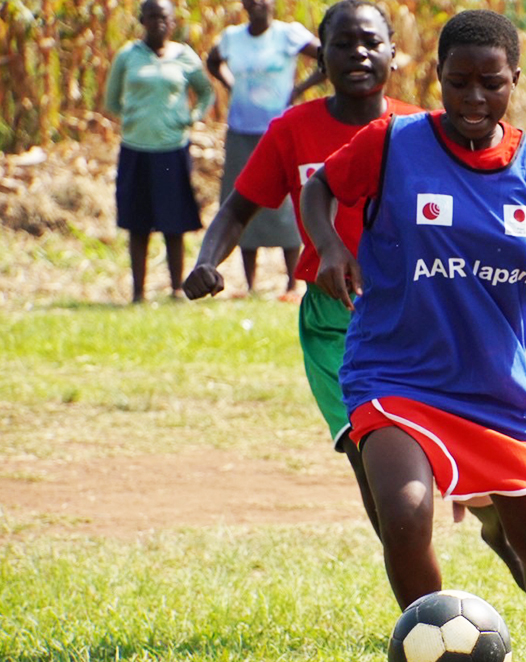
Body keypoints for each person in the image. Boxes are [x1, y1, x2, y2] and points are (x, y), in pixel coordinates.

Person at [301, 10, 526, 662]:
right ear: (437, 76)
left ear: (515, 82)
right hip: (393, 373)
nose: (475, 99)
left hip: (493, 389)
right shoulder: (393, 141)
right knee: (407, 513)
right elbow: (319, 185)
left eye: (492, 84)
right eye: (459, 82)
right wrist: (329, 245)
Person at [183, 1, 429, 546]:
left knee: (446, 469)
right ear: (321, 55)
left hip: (416, 318)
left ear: (393, 52)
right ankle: (416, 597)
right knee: (368, 455)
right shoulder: (292, 130)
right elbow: (237, 210)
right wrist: (206, 262)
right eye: (342, 44)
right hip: (333, 321)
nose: (358, 53)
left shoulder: (422, 130)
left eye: (371, 42)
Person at [206, 0, 323, 301]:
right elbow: (212, 61)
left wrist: (298, 90)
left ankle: (292, 284)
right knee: (244, 200)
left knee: (286, 207)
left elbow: (327, 57)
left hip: (279, 129)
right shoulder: (233, 38)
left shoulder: (288, 35)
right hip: (242, 129)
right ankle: (250, 284)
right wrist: (231, 83)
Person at [104, 0, 214, 303]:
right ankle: (138, 292)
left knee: (173, 222)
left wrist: (191, 118)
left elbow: (206, 92)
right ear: (142, 20)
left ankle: (177, 289)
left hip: (172, 150)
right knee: (137, 222)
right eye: (151, 17)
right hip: (136, 149)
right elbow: (112, 100)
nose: (158, 23)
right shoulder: (128, 55)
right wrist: (134, 119)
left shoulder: (184, 56)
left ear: (173, 22)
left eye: (164, 17)